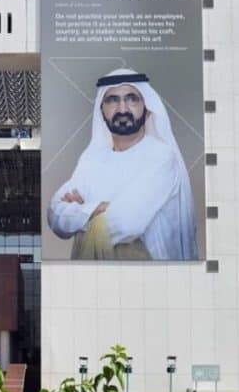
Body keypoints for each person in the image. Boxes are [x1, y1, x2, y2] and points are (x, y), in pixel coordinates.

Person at [47, 68, 197, 260]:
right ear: (102, 111)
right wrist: (98, 210)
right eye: (112, 100)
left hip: (152, 276)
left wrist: (81, 212)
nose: (123, 109)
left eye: (132, 99)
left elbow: (126, 223)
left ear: (147, 108)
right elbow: (54, 214)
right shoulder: (92, 159)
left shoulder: (161, 157)